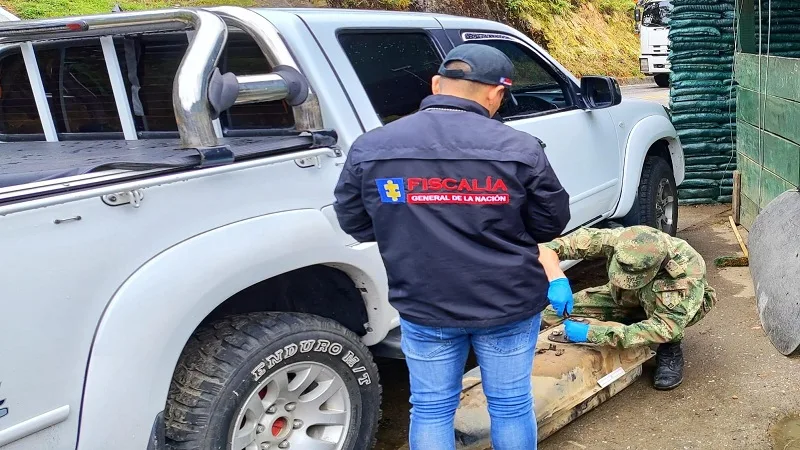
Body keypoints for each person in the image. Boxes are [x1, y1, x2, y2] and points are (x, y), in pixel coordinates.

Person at [333, 44, 572, 450]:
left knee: (430, 408)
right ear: (496, 93)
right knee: (511, 405)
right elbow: (550, 222)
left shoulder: (371, 147)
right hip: (507, 302)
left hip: (425, 303)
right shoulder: (519, 149)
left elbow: (355, 222)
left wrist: (410, 226)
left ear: (436, 84)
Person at [538, 225, 717, 390]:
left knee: (665, 328)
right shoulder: (618, 241)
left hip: (670, 305)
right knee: (550, 314)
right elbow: (549, 248)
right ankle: (631, 317)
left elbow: (665, 327)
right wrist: (557, 278)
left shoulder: (684, 274)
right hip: (624, 296)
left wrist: (593, 334)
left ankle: (670, 349)